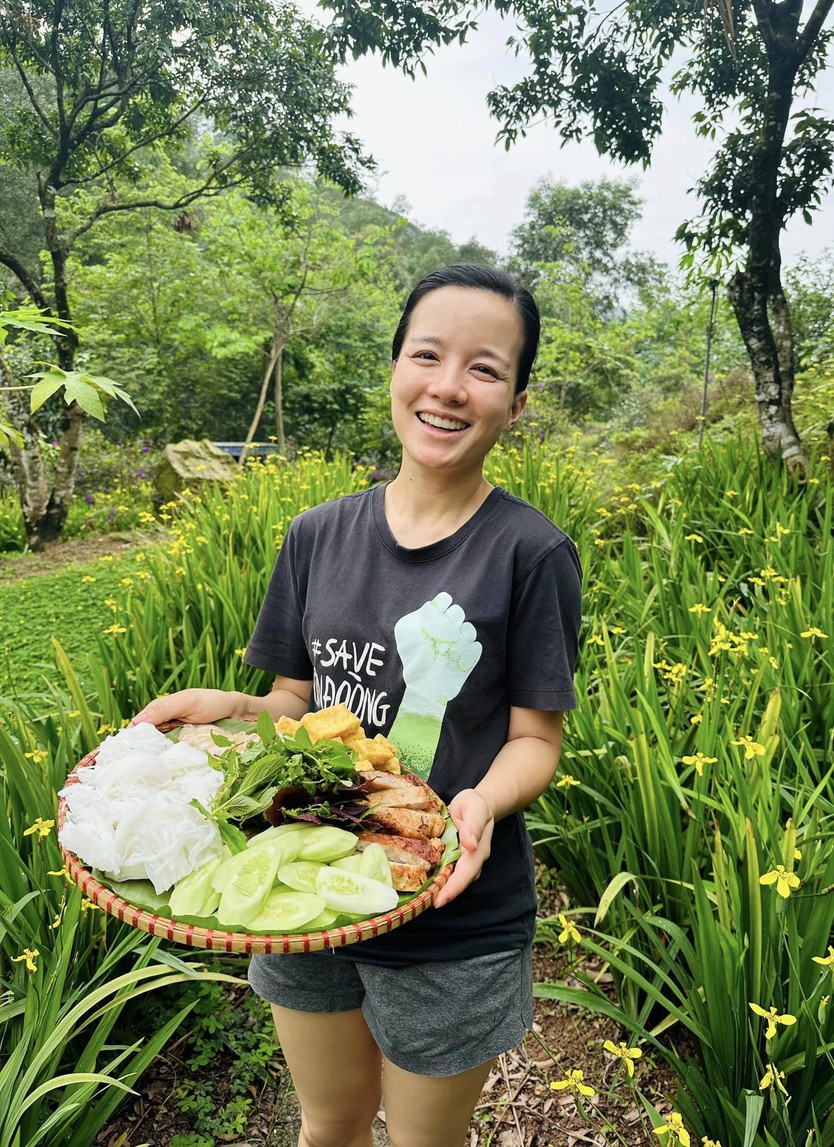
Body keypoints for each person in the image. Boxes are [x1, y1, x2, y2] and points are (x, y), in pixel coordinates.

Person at [132, 264, 582, 1147]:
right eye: (428, 355)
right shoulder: (317, 534)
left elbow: (535, 738)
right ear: (394, 370)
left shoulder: (531, 551)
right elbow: (296, 704)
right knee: (330, 1120)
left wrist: (481, 801)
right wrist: (228, 707)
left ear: (518, 403)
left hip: (453, 914)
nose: (449, 386)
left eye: (486, 369)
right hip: (309, 886)